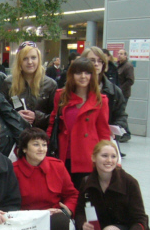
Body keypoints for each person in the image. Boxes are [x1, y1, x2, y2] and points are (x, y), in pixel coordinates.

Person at [74, 140, 150, 230]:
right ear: (93, 158)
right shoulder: (86, 181)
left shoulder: (129, 182)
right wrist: (83, 224)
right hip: (98, 229)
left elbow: (141, 219)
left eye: (113, 156)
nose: (109, 160)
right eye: (104, 156)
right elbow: (79, 211)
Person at [12, 128, 78, 230]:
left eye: (44, 144)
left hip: (54, 218)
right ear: (24, 149)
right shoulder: (13, 170)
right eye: (36, 144)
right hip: (25, 219)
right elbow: (10, 204)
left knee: (60, 221)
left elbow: (72, 194)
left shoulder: (58, 166)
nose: (41, 149)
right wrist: (37, 214)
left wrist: (66, 209)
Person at [47, 57, 111, 188]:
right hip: (64, 154)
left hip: (88, 156)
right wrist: (46, 146)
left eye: (87, 73)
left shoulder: (101, 100)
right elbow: (53, 124)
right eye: (78, 73)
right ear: (71, 75)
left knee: (84, 198)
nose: (83, 76)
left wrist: (107, 157)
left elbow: (103, 132)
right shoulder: (61, 95)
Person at [2, 41, 57, 130]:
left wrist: (37, 117)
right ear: (19, 61)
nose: (30, 62)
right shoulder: (8, 83)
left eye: (33, 58)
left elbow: (56, 117)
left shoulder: (50, 84)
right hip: (17, 136)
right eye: (25, 58)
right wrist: (15, 115)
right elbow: (2, 112)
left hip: (40, 138)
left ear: (39, 59)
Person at [82, 47, 131, 144]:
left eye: (100, 61)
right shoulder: (73, 89)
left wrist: (115, 128)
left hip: (103, 140)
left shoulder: (113, 91)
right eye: (92, 60)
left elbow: (121, 115)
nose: (96, 64)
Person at [116, 49, 134, 143]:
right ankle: (122, 132)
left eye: (122, 54)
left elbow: (130, 80)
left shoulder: (128, 66)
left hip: (124, 94)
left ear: (126, 56)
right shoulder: (118, 65)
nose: (119, 55)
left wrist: (120, 89)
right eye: (118, 53)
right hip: (118, 93)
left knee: (121, 112)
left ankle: (127, 133)